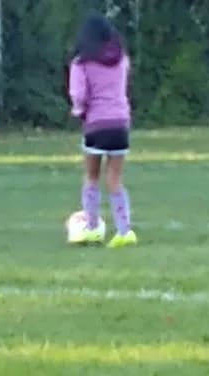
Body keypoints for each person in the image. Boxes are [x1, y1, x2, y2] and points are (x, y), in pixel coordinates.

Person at [68, 14, 136, 248]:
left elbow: (79, 94)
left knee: (92, 177)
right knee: (115, 178)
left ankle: (93, 227)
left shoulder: (81, 63)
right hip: (120, 122)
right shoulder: (122, 59)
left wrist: (79, 111)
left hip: (96, 124)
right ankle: (125, 230)